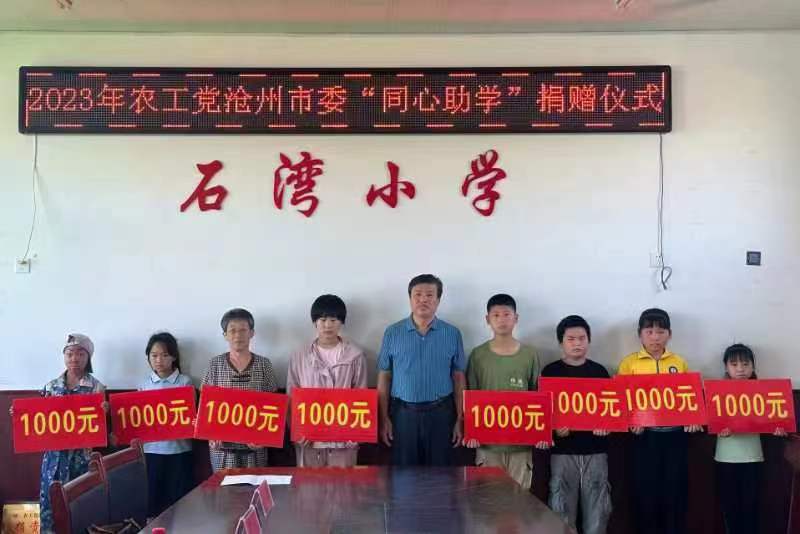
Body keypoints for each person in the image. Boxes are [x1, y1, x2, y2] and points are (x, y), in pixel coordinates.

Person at [617, 308, 702, 534]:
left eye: (661, 332)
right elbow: (621, 403)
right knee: (646, 493)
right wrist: (630, 423)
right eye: (649, 332)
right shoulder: (629, 364)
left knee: (675, 492)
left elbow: (689, 399)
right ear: (640, 334)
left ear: (669, 335)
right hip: (645, 439)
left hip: (676, 437)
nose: (655, 337)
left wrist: (692, 420)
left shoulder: (679, 362)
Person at [377, 274, 466, 466]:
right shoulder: (392, 333)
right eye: (417, 294)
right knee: (404, 474)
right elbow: (384, 376)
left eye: (429, 295)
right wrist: (384, 418)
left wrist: (460, 418)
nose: (423, 299)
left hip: (442, 413)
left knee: (441, 474)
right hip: (403, 414)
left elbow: (458, 377)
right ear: (410, 298)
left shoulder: (452, 333)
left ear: (438, 300)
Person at [463, 293, 544, 489]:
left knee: (520, 499)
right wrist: (471, 431)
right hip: (487, 444)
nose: (501, 320)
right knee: (489, 499)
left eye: (507, 314)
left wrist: (540, 432)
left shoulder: (530, 354)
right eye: (496, 315)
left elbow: (538, 396)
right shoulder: (478, 355)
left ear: (516, 318)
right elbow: (471, 396)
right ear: (487, 319)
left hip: (521, 444)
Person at [540, 315, 611, 534]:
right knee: (561, 511)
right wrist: (553, 430)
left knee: (598, 512)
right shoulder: (550, 372)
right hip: (562, 452)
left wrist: (605, 427)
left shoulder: (600, 372)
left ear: (589, 341)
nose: (577, 343)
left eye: (582, 338)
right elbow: (542, 414)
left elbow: (610, 412)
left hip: (595, 451)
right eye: (571, 339)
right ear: (561, 342)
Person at [287, 294, 368, 467]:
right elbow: (291, 397)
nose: (328, 325)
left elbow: (361, 396)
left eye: (333, 320)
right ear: (315, 322)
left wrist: (357, 433)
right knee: (309, 483)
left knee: (344, 483)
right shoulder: (300, 356)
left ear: (342, 322)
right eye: (323, 320)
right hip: (309, 440)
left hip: (344, 440)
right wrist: (296, 431)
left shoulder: (355, 355)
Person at [36, 334, 106, 534]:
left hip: (81, 459)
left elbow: (100, 427)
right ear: (64, 356)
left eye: (80, 354)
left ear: (88, 358)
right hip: (54, 461)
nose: (74, 358)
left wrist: (104, 413)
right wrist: (18, 415)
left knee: (81, 509)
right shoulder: (50, 387)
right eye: (69, 354)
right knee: (49, 510)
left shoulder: (96, 387)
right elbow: (36, 420)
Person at [715, 343, 787, 534]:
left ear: (753, 367)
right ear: (726, 367)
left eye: (746, 364)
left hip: (753, 457)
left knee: (751, 506)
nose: (740, 369)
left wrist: (779, 429)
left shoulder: (763, 392)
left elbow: (774, 420)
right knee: (730, 507)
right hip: (725, 458)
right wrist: (719, 429)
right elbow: (712, 422)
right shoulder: (718, 392)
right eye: (734, 364)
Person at [202, 308, 277, 471]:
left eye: (243, 330)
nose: (238, 335)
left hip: (255, 449)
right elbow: (205, 406)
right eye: (232, 330)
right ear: (225, 335)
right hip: (223, 450)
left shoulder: (264, 364)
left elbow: (274, 407)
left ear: (252, 333)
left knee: (255, 486)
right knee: (224, 487)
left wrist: (264, 437)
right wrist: (210, 435)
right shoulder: (215, 364)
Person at [138, 332, 195, 517]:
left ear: (174, 357)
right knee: (154, 500)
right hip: (152, 451)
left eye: (164, 355)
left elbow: (190, 416)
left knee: (180, 501)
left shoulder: (185, 382)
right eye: (154, 355)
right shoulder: (144, 385)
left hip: (179, 450)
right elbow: (138, 420)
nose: (159, 360)